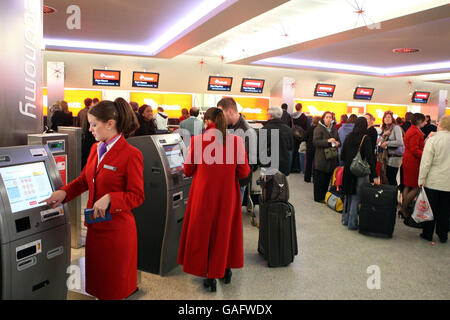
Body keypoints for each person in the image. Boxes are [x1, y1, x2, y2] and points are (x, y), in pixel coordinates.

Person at [41, 98, 144, 300]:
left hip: (117, 234)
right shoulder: (96, 149)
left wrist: (111, 198)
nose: (90, 129)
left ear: (110, 124)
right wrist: (64, 192)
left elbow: (137, 196)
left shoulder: (131, 154)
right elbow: (84, 180)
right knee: (98, 284)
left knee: (113, 287)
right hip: (96, 230)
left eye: (93, 124)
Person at [178, 107, 250, 292]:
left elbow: (187, 170)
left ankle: (208, 275)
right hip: (228, 194)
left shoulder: (198, 140)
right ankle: (225, 270)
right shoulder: (236, 141)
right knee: (225, 230)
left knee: (204, 231)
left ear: (207, 121)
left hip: (203, 194)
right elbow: (244, 172)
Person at [341, 117, 380, 230]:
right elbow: (370, 157)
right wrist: (375, 175)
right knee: (356, 197)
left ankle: (345, 219)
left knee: (348, 195)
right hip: (359, 171)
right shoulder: (365, 138)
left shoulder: (348, 137)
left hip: (348, 170)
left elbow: (342, 155)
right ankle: (352, 224)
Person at [218, 97, 257, 204]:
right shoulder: (228, 126)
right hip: (227, 179)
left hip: (237, 181)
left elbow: (248, 161)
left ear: (230, 111)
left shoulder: (247, 131)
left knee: (233, 214)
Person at [418, 115, 450, 243]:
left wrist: (421, 180)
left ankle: (427, 233)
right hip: (448, 182)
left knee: (430, 209)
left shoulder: (433, 140)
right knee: (445, 210)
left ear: (440, 125)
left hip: (433, 180)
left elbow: (426, 163)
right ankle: (443, 235)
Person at [399, 113, 426, 227]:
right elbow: (415, 149)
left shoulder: (412, 130)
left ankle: (404, 209)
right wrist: (425, 155)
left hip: (408, 160)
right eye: (424, 121)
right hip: (413, 162)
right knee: (415, 186)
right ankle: (404, 209)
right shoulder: (415, 132)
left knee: (407, 185)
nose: (425, 123)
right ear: (419, 121)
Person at [313, 111, 340, 202]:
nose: (329, 119)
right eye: (327, 117)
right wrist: (327, 141)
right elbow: (316, 142)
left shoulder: (334, 129)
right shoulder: (318, 129)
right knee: (319, 179)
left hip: (331, 157)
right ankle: (318, 197)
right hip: (321, 158)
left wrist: (337, 143)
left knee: (327, 179)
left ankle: (324, 196)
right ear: (323, 118)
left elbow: (339, 141)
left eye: (330, 117)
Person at [261, 106, 293, 176]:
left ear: (271, 115)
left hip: (269, 164)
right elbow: (290, 146)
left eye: (267, 114)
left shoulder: (265, 129)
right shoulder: (288, 129)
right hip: (284, 164)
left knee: (268, 185)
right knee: (282, 185)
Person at [378, 111, 404, 186]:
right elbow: (380, 143)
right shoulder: (386, 129)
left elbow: (400, 142)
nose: (387, 119)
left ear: (392, 119)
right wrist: (384, 135)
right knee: (387, 178)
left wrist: (387, 143)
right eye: (385, 117)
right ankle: (390, 195)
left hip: (395, 157)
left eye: (389, 117)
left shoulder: (396, 128)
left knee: (391, 178)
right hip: (387, 157)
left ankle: (394, 196)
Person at [291, 103, 308, 173]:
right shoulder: (303, 116)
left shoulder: (291, 116)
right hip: (301, 136)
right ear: (301, 107)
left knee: (293, 151)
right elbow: (306, 126)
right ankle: (298, 168)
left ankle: (292, 167)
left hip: (293, 135)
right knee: (300, 151)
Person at [304, 116, 320, 183]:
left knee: (308, 163)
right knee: (316, 164)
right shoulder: (319, 130)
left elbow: (305, 137)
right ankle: (315, 178)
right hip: (317, 148)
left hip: (309, 147)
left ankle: (307, 178)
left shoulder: (310, 129)